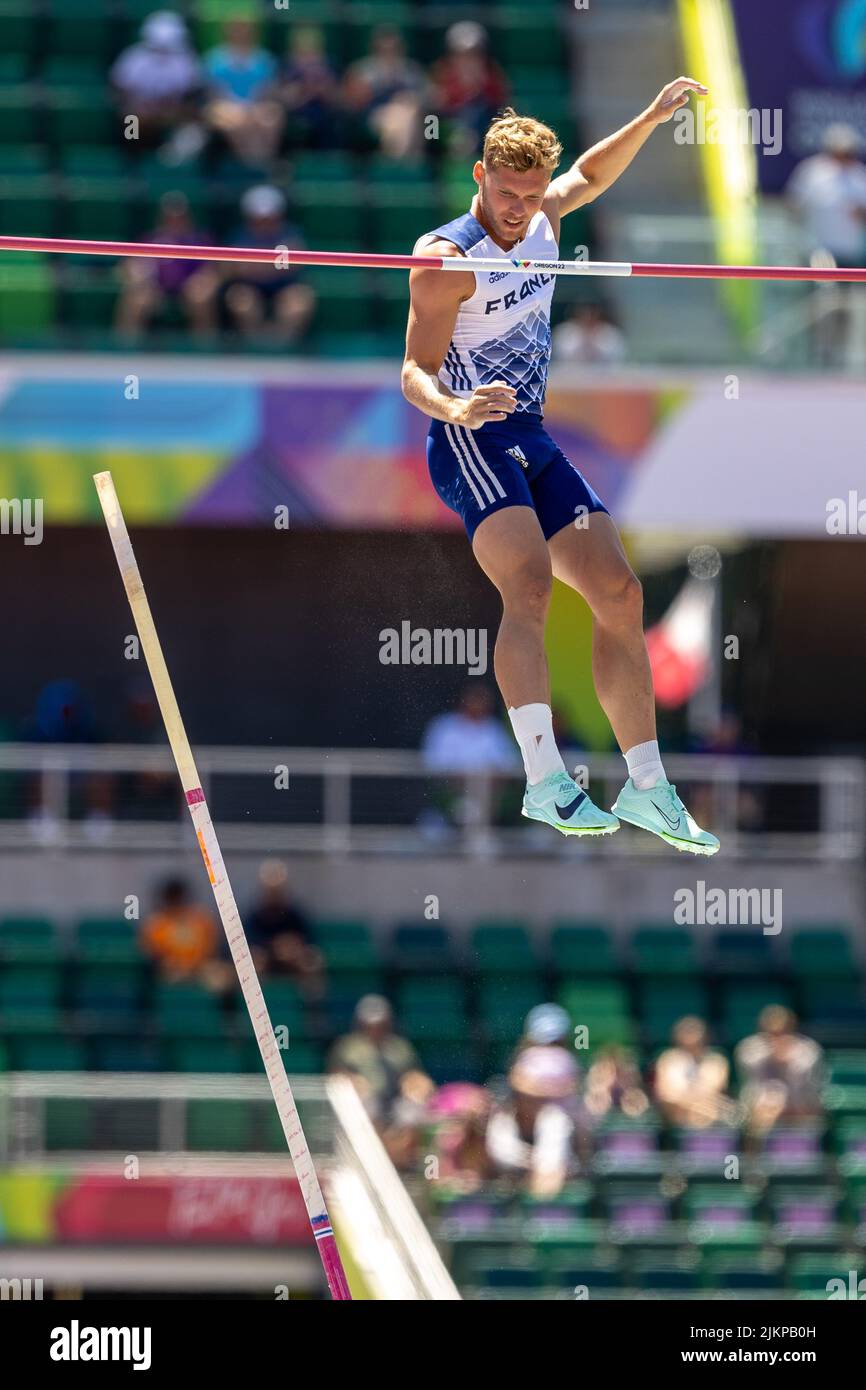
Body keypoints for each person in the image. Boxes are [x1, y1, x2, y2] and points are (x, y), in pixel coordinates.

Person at [402, 90, 720, 855]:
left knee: (619, 590)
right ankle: (545, 780)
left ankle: (648, 789)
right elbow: (412, 372)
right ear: (478, 176)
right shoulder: (444, 261)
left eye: (530, 195)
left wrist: (646, 119)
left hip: (532, 438)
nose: (518, 210)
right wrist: (455, 406)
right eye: (505, 195)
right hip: (471, 436)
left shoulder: (545, 215)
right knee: (532, 586)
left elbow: (588, 173)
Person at [786, 124, 866, 366]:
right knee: (817, 305)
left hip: (849, 254)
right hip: (818, 252)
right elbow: (794, 206)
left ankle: (837, 355)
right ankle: (814, 355)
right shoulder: (812, 172)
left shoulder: (859, 177)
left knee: (843, 307)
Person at [215, 184, 315, 344]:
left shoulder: (290, 234)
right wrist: (271, 266)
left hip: (285, 288)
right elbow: (228, 267)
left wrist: (252, 267)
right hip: (249, 288)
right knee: (241, 299)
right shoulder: (239, 235)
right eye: (259, 218)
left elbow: (292, 264)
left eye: (269, 217)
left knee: (299, 301)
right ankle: (256, 348)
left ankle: (282, 349)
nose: (264, 222)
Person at [115, 192, 216, 339]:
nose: (174, 221)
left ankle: (205, 350)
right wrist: (137, 274)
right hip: (156, 290)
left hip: (189, 291)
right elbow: (129, 264)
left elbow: (212, 270)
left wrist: (204, 281)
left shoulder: (199, 241)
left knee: (200, 298)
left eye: (179, 217)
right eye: (170, 218)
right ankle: (126, 349)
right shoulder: (151, 239)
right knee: (136, 299)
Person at [327, 995, 432, 1131]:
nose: (375, 1029)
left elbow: (415, 1076)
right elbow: (335, 1076)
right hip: (363, 1101)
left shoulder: (401, 1047)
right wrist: (354, 1082)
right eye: (370, 1025)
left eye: (381, 1025)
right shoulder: (347, 1047)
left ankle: (401, 1149)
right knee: (368, 1106)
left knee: (412, 1109)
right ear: (360, 1023)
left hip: (395, 1102)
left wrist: (414, 1087)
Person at [486, 1046, 580, 1196]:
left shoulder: (554, 1119)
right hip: (508, 1190)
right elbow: (502, 1156)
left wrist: (542, 1171)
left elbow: (552, 1167)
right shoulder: (502, 1119)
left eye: (537, 1098)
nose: (531, 1101)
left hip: (550, 1188)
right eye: (525, 1096)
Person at [110, 11, 203, 154]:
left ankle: (172, 159)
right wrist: (137, 105)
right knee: (131, 122)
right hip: (139, 112)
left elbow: (192, 94)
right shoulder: (133, 58)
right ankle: (133, 158)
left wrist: (172, 108)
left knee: (195, 126)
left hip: (174, 112)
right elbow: (119, 90)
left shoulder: (186, 60)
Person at [203, 18, 284, 168]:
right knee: (237, 122)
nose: (240, 34)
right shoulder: (214, 59)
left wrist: (252, 107)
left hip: (256, 105)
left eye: (244, 30)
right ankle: (251, 168)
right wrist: (239, 108)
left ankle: (264, 164)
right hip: (225, 106)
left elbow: (268, 90)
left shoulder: (264, 59)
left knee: (271, 119)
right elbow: (214, 92)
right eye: (236, 30)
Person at [341, 26, 428, 161]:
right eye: (384, 49)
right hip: (373, 116)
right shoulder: (364, 70)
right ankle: (406, 164)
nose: (389, 53)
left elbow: (428, 97)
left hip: (407, 115)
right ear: (376, 49)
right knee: (399, 119)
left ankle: (393, 163)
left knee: (405, 116)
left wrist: (408, 99)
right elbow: (352, 100)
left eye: (393, 49)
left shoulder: (411, 71)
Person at [735, 1006, 825, 1135]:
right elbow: (753, 1085)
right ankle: (756, 1147)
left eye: (782, 1032)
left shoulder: (808, 1051)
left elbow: (807, 1089)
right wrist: (771, 1057)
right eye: (770, 1033)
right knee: (767, 1106)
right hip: (761, 1109)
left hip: (800, 1107)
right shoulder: (750, 1048)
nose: (776, 1038)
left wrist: (787, 1062)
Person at [244, 859, 325, 997]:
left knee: (311, 963)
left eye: (278, 891)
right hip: (266, 964)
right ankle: (257, 1004)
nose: (275, 896)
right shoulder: (254, 917)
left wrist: (294, 949)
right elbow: (248, 947)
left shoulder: (296, 916)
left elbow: (312, 945)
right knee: (253, 964)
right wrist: (272, 949)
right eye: (271, 891)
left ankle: (311, 1008)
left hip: (291, 965)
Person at [653, 1016, 731, 1129]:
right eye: (686, 1032)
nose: (691, 1036)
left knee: (708, 1111)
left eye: (694, 1032)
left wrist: (693, 1104)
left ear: (705, 1036)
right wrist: (690, 1106)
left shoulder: (716, 1060)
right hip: (677, 1112)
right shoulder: (667, 1059)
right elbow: (665, 1092)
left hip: (707, 1110)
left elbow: (714, 1091)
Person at [139, 877, 219, 983]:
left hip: (199, 969)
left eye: (179, 899)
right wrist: (174, 964)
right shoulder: (156, 923)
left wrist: (192, 965)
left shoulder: (201, 920)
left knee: (220, 979)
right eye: (173, 900)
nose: (176, 904)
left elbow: (211, 948)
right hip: (170, 971)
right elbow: (152, 953)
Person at [551, 301, 627, 366]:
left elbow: (617, 356)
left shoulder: (609, 331)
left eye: (592, 314)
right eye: (583, 313)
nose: (588, 317)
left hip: (602, 376)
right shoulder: (565, 330)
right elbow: (560, 355)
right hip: (571, 375)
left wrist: (594, 343)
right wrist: (582, 339)